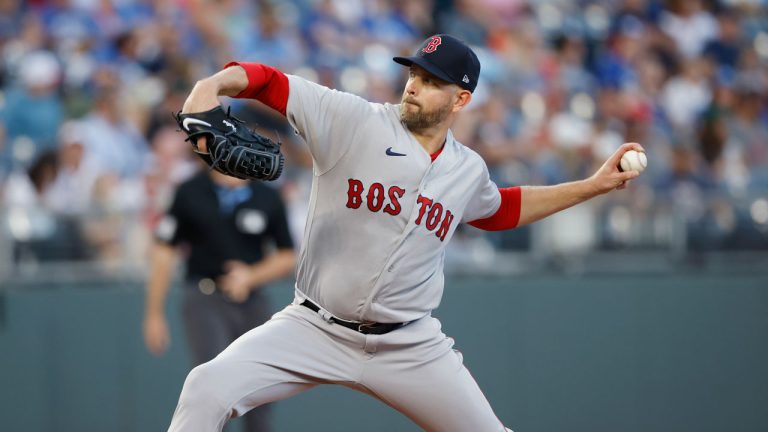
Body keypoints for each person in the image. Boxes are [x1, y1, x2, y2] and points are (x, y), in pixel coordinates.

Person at [169, 34, 643, 432]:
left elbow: (497, 210)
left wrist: (591, 186)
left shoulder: (467, 169)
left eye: (431, 81)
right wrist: (211, 86)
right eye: (413, 74)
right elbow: (268, 82)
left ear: (461, 99)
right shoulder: (352, 120)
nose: (414, 86)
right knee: (205, 387)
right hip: (313, 326)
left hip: (409, 345)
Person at [143, 168, 296, 432]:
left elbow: (287, 256)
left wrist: (251, 276)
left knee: (259, 389)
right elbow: (164, 249)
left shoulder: (266, 196)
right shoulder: (190, 191)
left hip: (252, 301)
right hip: (204, 297)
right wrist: (154, 313)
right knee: (212, 384)